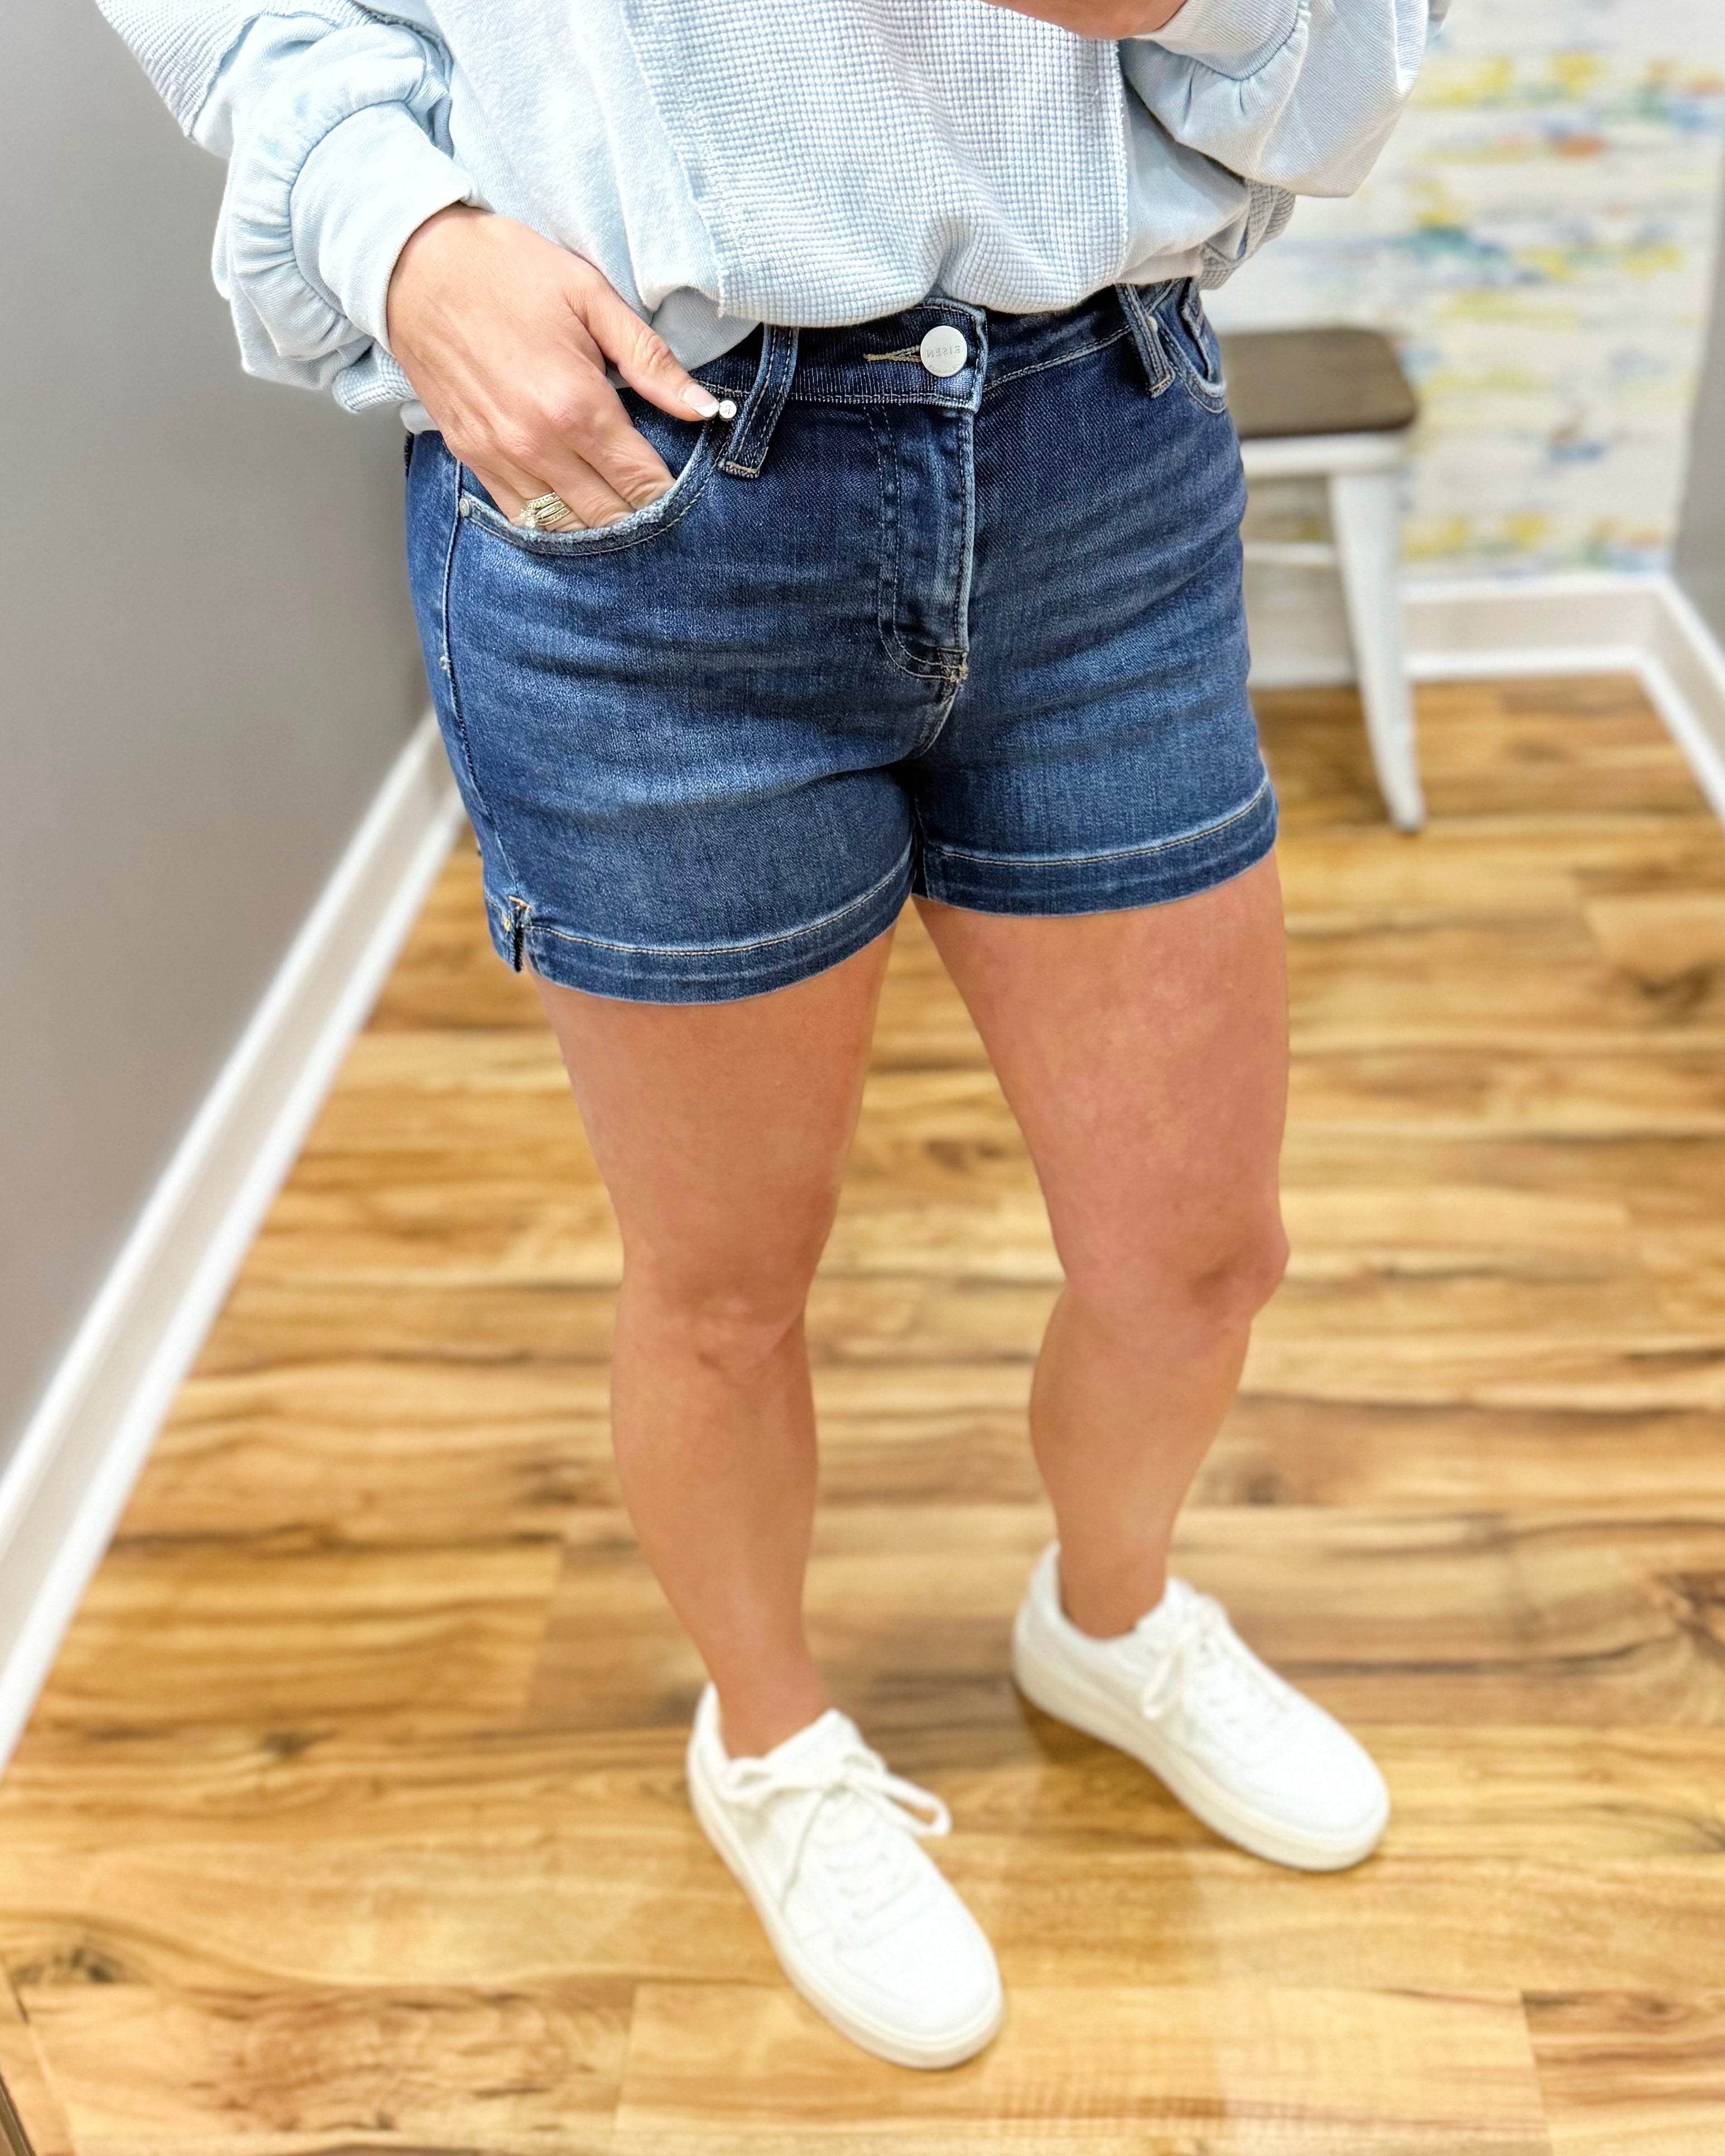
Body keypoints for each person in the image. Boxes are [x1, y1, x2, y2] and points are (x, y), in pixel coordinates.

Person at [102, 0, 1443, 2071]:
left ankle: (1111, 1621)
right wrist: (394, 224)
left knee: (1193, 1256)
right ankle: (769, 1743)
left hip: (1095, 439)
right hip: (641, 495)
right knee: (723, 1290)